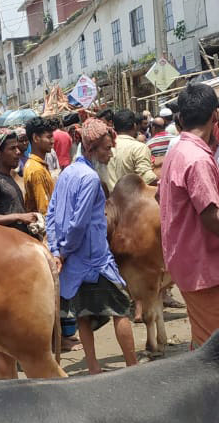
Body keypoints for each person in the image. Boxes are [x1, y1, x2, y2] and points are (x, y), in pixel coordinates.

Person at [159, 83, 219, 349]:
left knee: (206, 339)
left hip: (190, 263)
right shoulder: (196, 158)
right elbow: (211, 217)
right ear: (214, 115)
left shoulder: (178, 151)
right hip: (203, 266)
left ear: (181, 118)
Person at [45, 117, 138, 375]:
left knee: (83, 315)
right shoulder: (89, 178)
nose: (110, 153)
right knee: (121, 310)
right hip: (94, 261)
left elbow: (50, 214)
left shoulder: (66, 174)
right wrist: (61, 251)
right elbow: (78, 224)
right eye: (106, 148)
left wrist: (56, 250)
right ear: (90, 148)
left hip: (73, 264)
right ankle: (133, 367)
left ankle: (94, 368)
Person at [0, 129, 38, 233]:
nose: (18, 152)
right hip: (8, 244)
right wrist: (19, 217)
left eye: (17, 147)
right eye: (12, 148)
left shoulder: (8, 176)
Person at [99, 108, 157, 193]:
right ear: (134, 126)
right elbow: (148, 178)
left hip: (108, 202)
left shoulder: (103, 147)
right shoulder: (139, 148)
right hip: (132, 202)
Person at [23, 117, 56, 215]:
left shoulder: (35, 165)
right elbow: (44, 211)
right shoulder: (36, 169)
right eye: (49, 137)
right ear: (36, 138)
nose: (52, 141)